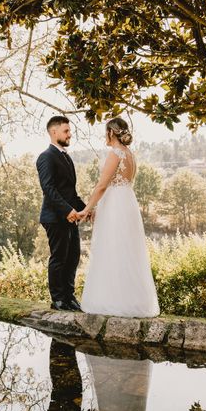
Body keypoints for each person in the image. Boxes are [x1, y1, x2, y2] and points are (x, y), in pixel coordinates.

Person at [77, 117, 159, 317]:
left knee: (112, 247)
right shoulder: (130, 154)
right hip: (126, 202)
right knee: (127, 249)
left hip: (115, 205)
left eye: (105, 132)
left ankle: (111, 302)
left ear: (111, 133)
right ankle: (134, 301)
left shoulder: (115, 153)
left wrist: (87, 208)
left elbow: (102, 185)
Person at [36, 115, 86, 311]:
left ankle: (69, 297)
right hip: (54, 218)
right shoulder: (45, 157)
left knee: (73, 256)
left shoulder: (66, 157)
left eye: (69, 131)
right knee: (59, 258)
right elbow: (48, 188)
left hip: (70, 217)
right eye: (66, 131)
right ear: (54, 132)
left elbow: (70, 192)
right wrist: (67, 211)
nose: (69, 134)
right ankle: (58, 299)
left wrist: (84, 209)